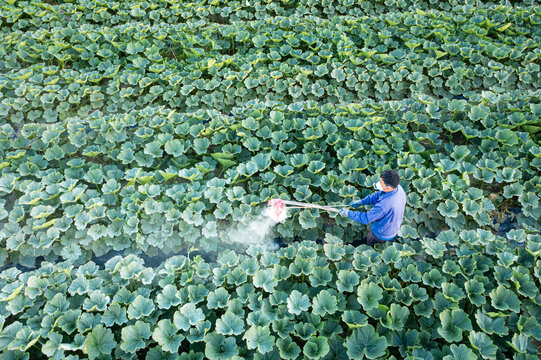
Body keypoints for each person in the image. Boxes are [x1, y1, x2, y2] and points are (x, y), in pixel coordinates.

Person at [339, 170, 406, 246]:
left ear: (389, 187)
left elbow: (366, 218)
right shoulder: (398, 188)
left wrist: (348, 213)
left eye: (381, 183)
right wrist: (361, 202)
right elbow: (378, 195)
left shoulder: (384, 205)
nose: (379, 183)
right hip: (392, 225)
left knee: (372, 244)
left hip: (382, 233)